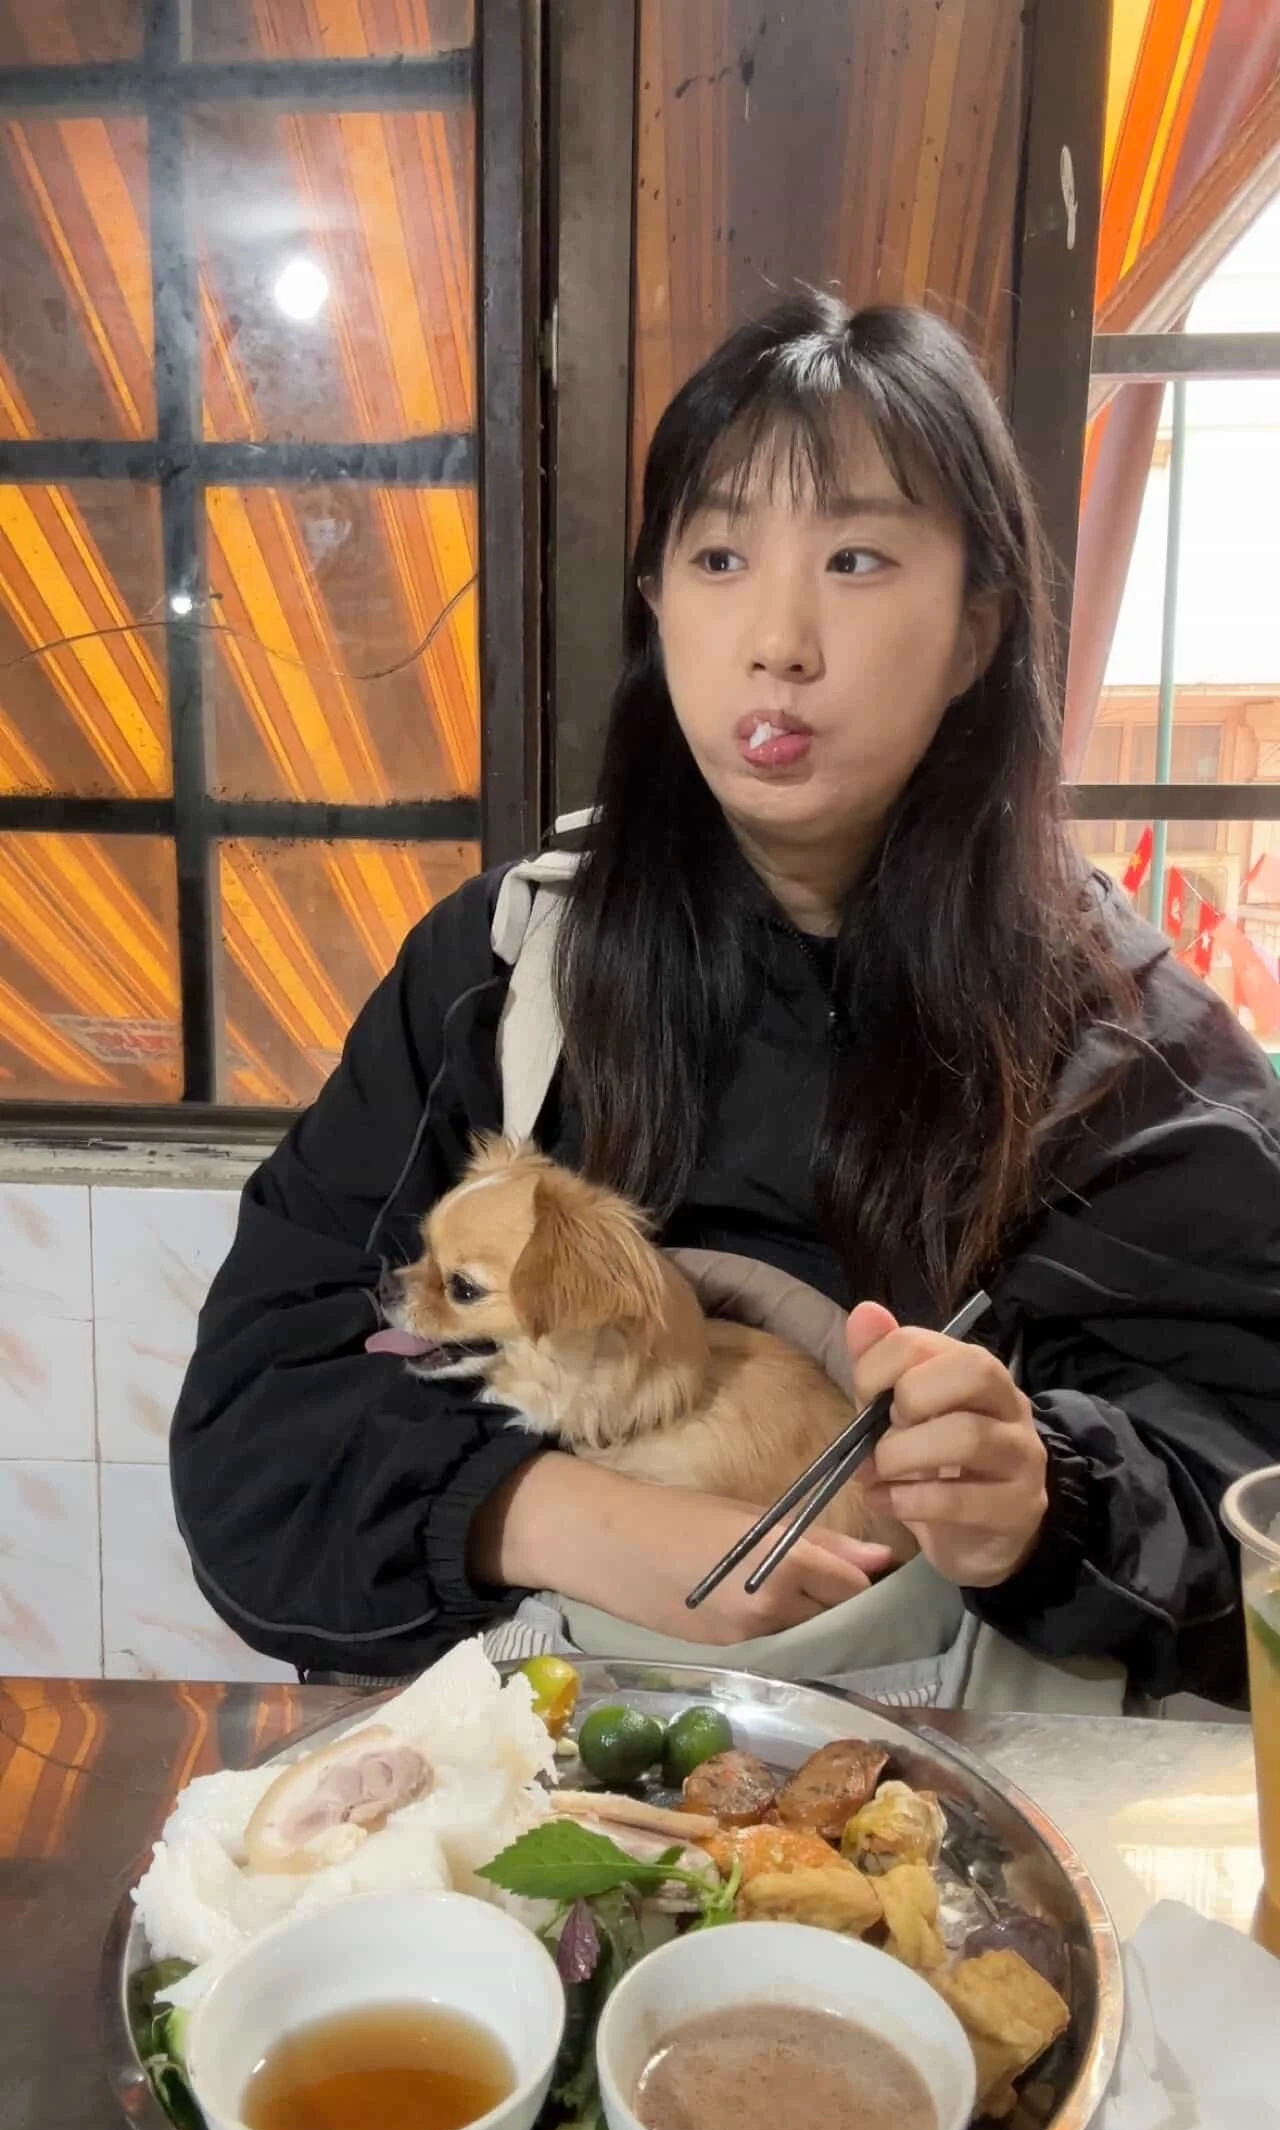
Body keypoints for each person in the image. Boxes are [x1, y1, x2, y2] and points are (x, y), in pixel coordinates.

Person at [172, 293, 1280, 1701]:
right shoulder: (502, 977)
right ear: (658, 604)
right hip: (540, 1786)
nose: (778, 640)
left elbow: (1252, 1507)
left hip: (963, 1800)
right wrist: (564, 1516)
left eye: (857, 558)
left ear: (976, 629)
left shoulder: (1130, 1056)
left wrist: (1047, 1501)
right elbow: (255, 1428)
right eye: (718, 556)